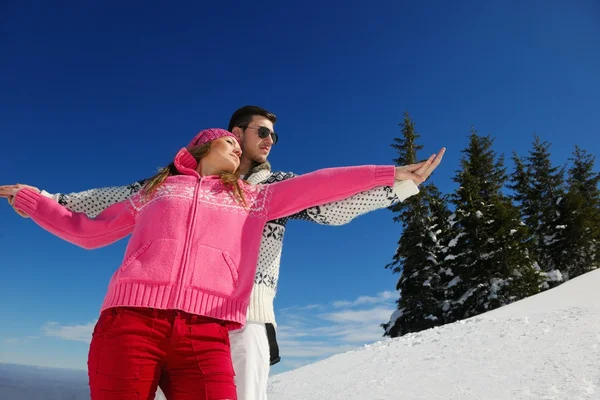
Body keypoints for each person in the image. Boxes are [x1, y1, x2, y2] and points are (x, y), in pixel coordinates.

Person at [2, 106, 446, 400]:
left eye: (274, 135)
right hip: (136, 318)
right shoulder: (159, 187)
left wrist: (394, 180)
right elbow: (98, 215)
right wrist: (42, 199)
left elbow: (326, 195)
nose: (269, 140)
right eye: (261, 132)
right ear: (223, 138)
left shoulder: (265, 192)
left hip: (228, 320)